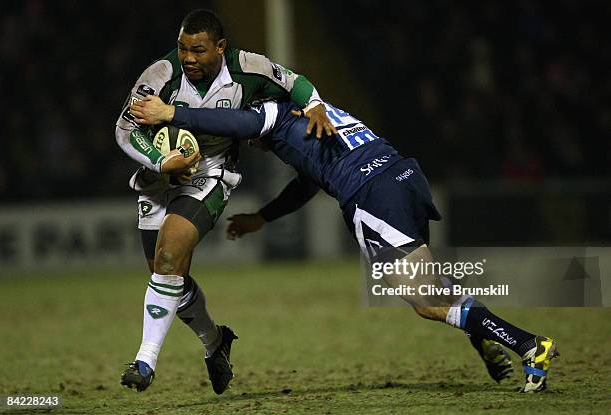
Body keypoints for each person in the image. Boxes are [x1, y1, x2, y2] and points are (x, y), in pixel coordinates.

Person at [129, 95, 559, 393]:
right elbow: (308, 183)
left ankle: (527, 344)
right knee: (434, 285)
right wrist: (262, 217)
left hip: (372, 195)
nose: (251, 144)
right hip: (402, 175)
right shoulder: (315, 119)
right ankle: (484, 337)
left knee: (424, 301)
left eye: (250, 136)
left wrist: (172, 113)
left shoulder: (276, 115)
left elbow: (234, 122)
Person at [115, 9, 336, 394]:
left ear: (220, 48)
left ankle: (145, 361)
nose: (188, 58)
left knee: (169, 257)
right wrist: (162, 160)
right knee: (169, 276)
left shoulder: (248, 67)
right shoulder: (160, 76)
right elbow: (124, 129)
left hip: (210, 175)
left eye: (198, 50)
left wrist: (315, 104)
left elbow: (294, 83)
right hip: (157, 178)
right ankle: (215, 342)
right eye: (183, 48)